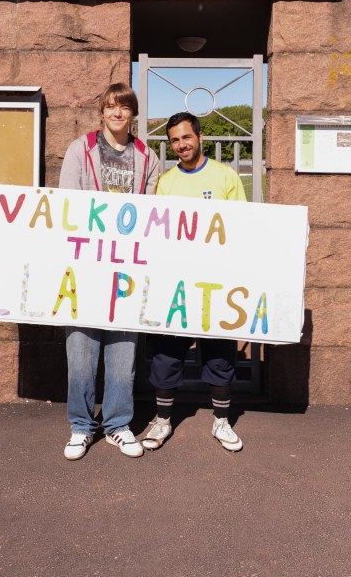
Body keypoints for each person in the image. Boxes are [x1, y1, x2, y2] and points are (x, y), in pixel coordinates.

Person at [57, 83, 161, 460]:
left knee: (123, 351)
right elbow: (67, 203)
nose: (118, 113)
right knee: (81, 349)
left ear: (133, 114)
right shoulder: (79, 149)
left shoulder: (147, 157)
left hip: (128, 267)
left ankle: (118, 424)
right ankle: (81, 427)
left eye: (125, 108)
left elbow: (151, 212)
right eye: (111, 107)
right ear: (101, 112)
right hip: (86, 264)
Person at [141, 111, 247, 452]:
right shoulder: (167, 182)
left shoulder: (226, 176)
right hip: (174, 283)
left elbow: (242, 227)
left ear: (199, 136)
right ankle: (162, 421)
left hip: (215, 283)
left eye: (186, 137)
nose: (181, 145)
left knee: (219, 353)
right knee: (167, 355)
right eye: (174, 140)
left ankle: (221, 422)